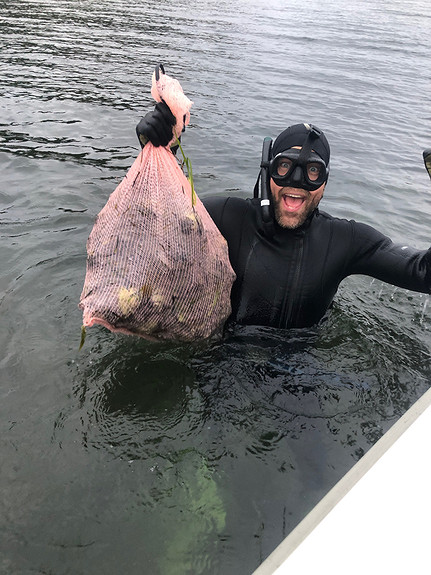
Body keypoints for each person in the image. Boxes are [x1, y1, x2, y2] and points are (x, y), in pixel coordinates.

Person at [136, 103, 431, 330]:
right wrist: (161, 151)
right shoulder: (229, 217)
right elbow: (157, 225)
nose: (298, 181)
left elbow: (423, 273)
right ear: (267, 171)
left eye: (313, 171)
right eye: (285, 167)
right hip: (224, 366)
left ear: (325, 183)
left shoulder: (345, 241)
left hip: (302, 378)